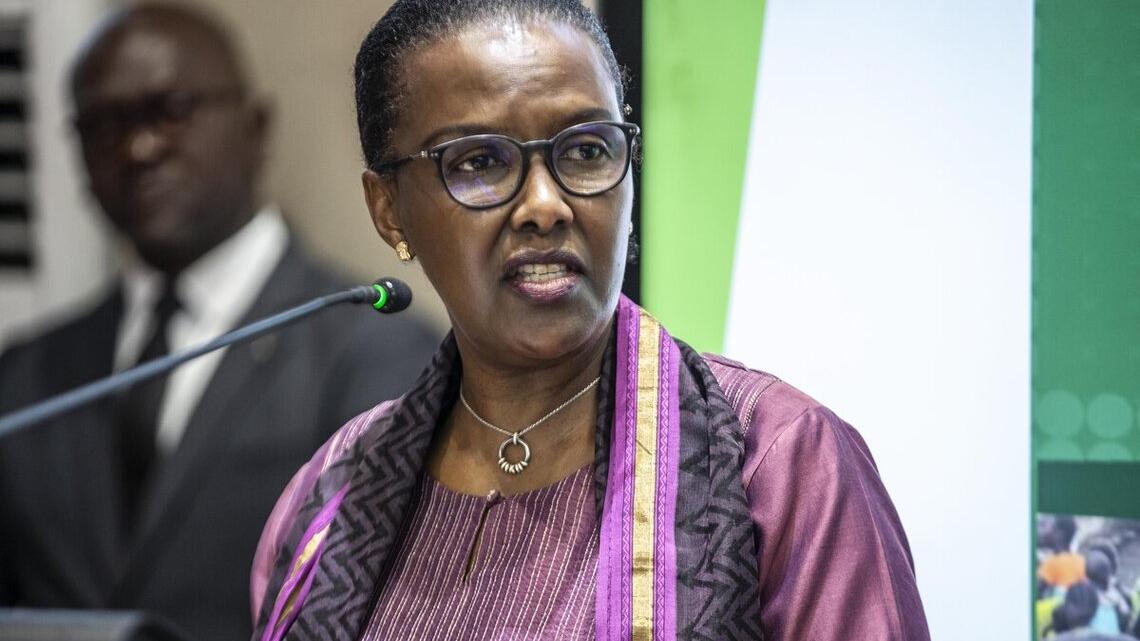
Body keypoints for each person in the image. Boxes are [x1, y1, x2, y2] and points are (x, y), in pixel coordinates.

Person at [249, 1, 931, 639]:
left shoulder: (778, 462)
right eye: (480, 161)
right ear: (389, 210)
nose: (546, 206)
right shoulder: (327, 503)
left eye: (585, 150)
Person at [0, 5, 437, 641]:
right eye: (106, 124)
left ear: (256, 126)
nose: (140, 147)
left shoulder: (377, 354)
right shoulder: (26, 377)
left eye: (171, 111)